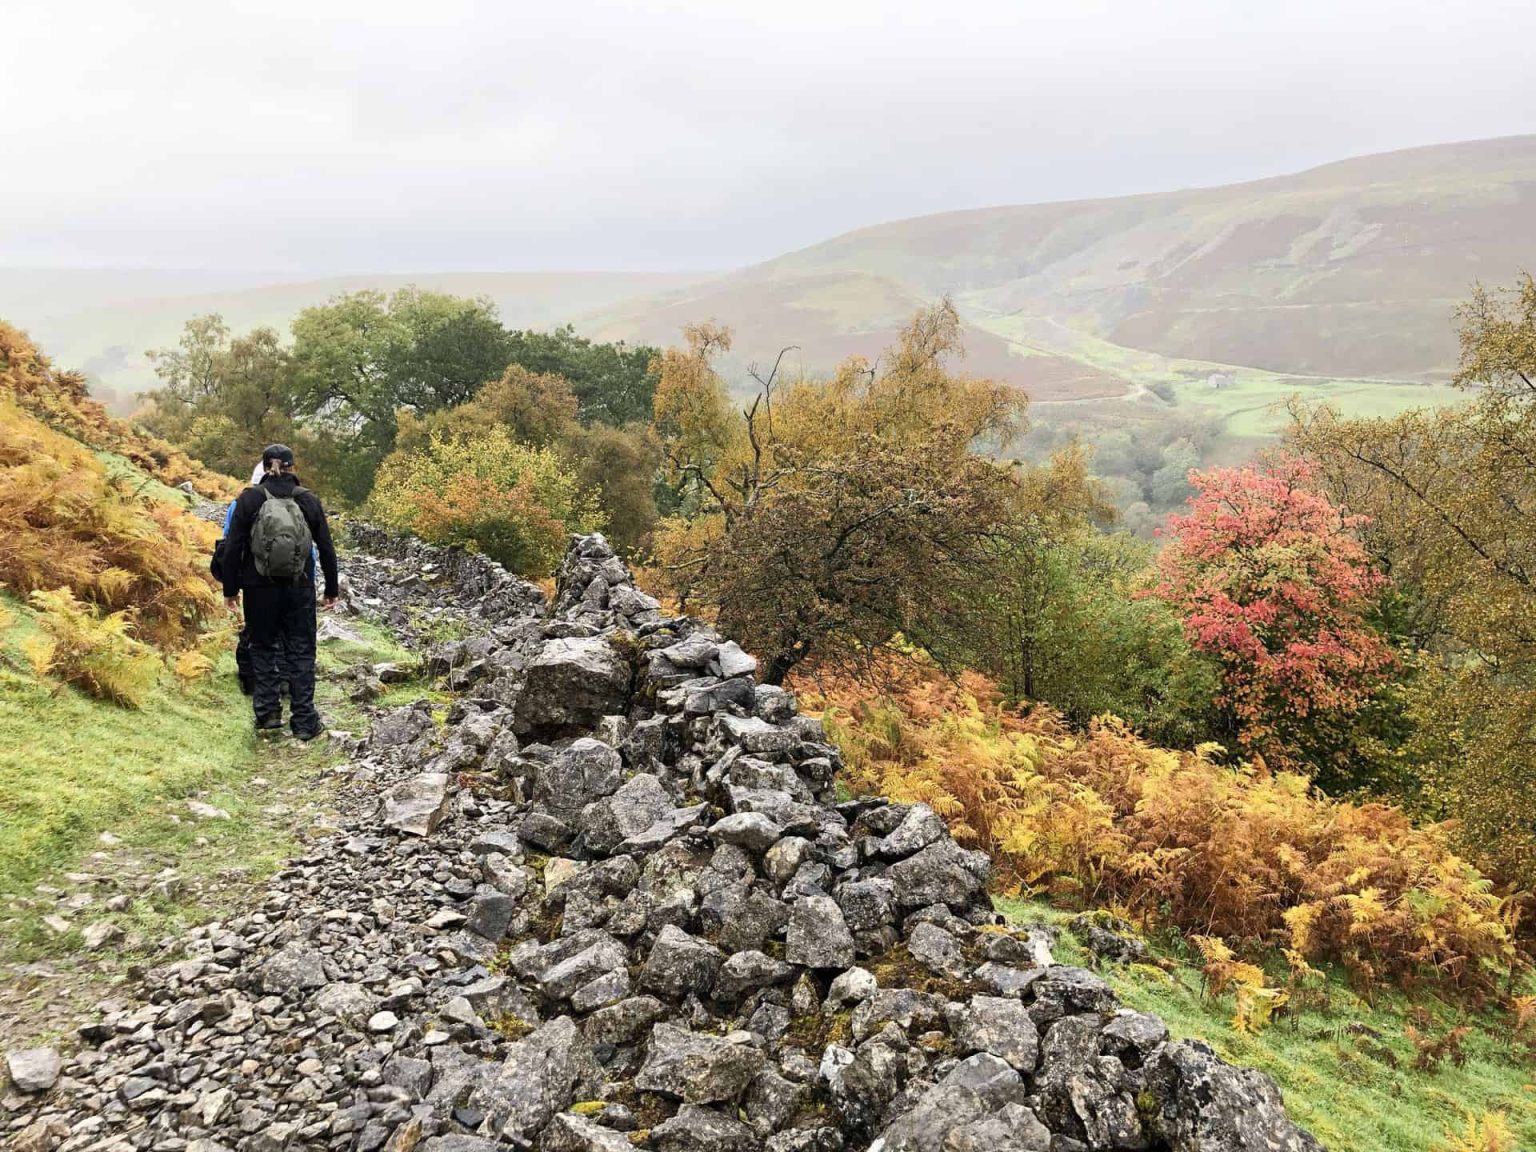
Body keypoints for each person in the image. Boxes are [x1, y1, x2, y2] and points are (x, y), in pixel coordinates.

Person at [221, 444, 339, 739]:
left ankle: (268, 714)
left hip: (259, 587)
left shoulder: (250, 499)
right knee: (301, 650)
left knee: (262, 648)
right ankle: (304, 721)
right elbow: (326, 546)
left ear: (264, 466)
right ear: (291, 467)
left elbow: (233, 546)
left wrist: (230, 589)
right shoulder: (308, 500)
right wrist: (331, 589)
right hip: (299, 587)